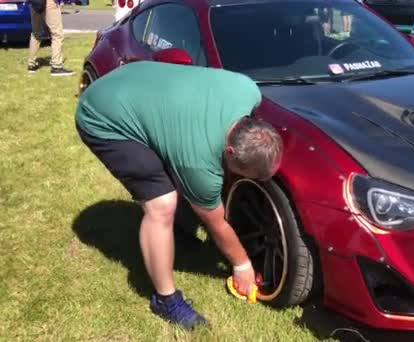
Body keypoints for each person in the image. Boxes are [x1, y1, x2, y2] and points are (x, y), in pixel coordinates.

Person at [75, 61, 283, 329]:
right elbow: (215, 222)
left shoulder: (247, 89)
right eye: (249, 176)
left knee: (177, 168)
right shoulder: (198, 162)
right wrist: (242, 264)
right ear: (230, 153)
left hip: (135, 81)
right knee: (162, 204)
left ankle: (181, 231)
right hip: (103, 113)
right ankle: (165, 300)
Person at [28, 0, 74, 76]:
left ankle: (31, 64)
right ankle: (56, 66)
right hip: (49, 3)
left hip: (34, 3)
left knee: (36, 33)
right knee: (57, 34)